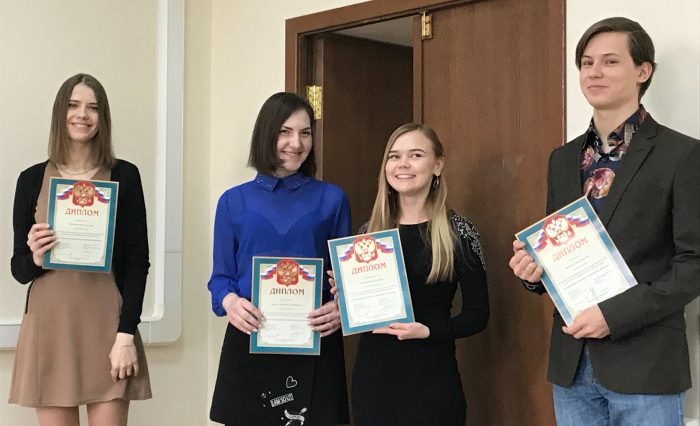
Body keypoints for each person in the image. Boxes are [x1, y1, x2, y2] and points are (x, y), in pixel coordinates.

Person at [508, 17, 699, 426]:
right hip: (571, 364)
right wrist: (533, 273)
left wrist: (614, 316)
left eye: (610, 61)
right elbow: (559, 249)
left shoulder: (682, 155)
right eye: (586, 63)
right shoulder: (562, 159)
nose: (594, 72)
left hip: (645, 363)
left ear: (643, 71)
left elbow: (693, 265)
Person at [9, 73, 152, 425]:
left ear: (103, 117)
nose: (82, 115)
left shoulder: (125, 176)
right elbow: (19, 268)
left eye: (93, 108)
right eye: (73, 105)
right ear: (61, 112)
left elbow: (137, 262)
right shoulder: (30, 180)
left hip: (109, 326)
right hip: (50, 327)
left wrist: (126, 335)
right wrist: (36, 257)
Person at [207, 92, 351, 426]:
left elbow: (345, 280)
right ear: (266, 134)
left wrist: (341, 308)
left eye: (305, 133)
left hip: (315, 340)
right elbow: (220, 278)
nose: (296, 143)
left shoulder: (332, 199)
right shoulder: (233, 202)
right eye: (285, 132)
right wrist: (230, 302)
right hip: (251, 338)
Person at [347, 123, 489, 426]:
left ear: (437, 165)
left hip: (433, 383)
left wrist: (427, 331)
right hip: (374, 385)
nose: (403, 164)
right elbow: (362, 317)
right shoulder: (367, 236)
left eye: (416, 155)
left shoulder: (459, 232)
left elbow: (478, 315)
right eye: (394, 156)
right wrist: (345, 297)